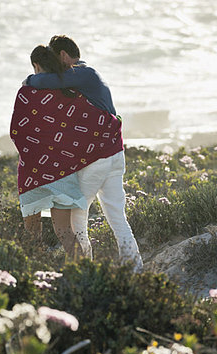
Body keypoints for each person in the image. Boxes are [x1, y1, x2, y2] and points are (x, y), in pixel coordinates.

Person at [25, 35, 143, 272]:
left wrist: (30, 78)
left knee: (76, 218)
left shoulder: (82, 73)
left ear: (63, 56)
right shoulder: (88, 77)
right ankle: (135, 268)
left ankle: (84, 269)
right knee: (117, 217)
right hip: (115, 155)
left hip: (97, 160)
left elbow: (43, 82)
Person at [12, 45, 123, 257]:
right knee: (65, 232)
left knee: (32, 233)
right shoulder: (70, 93)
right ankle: (83, 273)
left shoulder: (27, 93)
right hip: (64, 173)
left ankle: (35, 274)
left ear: (36, 65)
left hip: (33, 175)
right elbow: (85, 127)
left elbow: (18, 131)